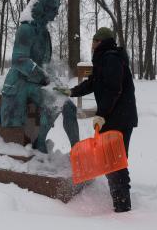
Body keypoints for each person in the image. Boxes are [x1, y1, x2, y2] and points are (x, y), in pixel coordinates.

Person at [56, 27, 138, 212]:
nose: (91, 44)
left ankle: (123, 207)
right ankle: (119, 201)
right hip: (116, 116)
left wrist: (101, 114)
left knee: (116, 160)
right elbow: (94, 83)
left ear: (99, 41)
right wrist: (72, 91)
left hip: (119, 117)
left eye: (93, 40)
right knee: (113, 159)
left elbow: (112, 89)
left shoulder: (111, 59)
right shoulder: (105, 58)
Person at [0, 0, 79, 154]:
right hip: (21, 82)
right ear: (43, 8)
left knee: (68, 105)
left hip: (37, 81)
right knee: (55, 101)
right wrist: (43, 77)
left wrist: (56, 81)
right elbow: (19, 60)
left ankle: (78, 151)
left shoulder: (44, 33)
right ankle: (39, 143)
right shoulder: (26, 29)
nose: (57, 13)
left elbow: (45, 64)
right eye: (54, 9)